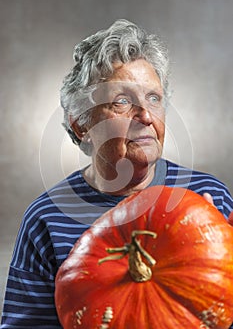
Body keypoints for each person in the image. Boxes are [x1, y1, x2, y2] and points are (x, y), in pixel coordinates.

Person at [1, 19, 233, 328]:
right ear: (81, 125)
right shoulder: (45, 218)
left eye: (154, 98)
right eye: (122, 101)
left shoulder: (210, 197)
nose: (146, 116)